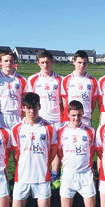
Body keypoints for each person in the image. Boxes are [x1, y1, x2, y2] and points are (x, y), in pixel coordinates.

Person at [11, 93, 57, 207]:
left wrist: (45, 163)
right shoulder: (16, 129)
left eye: (35, 107)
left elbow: (53, 151)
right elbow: (15, 153)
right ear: (23, 108)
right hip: (22, 176)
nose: (32, 111)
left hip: (42, 175)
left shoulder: (49, 128)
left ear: (39, 106)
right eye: (28, 108)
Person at [26, 49, 63, 185]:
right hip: (40, 119)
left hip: (57, 119)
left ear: (52, 62)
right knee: (39, 147)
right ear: (38, 63)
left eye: (47, 62)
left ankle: (54, 174)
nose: (45, 65)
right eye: (42, 62)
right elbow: (29, 101)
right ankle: (39, 172)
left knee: (56, 148)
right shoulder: (33, 79)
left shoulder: (60, 79)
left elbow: (63, 100)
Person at [57, 100, 96, 207]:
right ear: (68, 114)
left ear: (83, 113)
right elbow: (59, 152)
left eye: (79, 115)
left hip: (85, 174)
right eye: (73, 115)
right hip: (69, 174)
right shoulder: (61, 131)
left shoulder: (90, 131)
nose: (76, 118)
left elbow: (92, 151)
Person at [0, 50, 27, 129]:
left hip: (17, 116)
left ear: (14, 62)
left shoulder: (22, 80)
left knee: (17, 141)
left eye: (11, 61)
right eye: (6, 61)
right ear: (0, 63)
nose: (8, 63)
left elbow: (26, 101)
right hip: (0, 115)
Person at [61, 50, 98, 126]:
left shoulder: (93, 81)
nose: (82, 65)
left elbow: (93, 102)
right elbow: (64, 102)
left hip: (86, 119)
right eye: (79, 62)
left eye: (84, 63)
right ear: (74, 62)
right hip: (70, 120)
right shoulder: (66, 80)